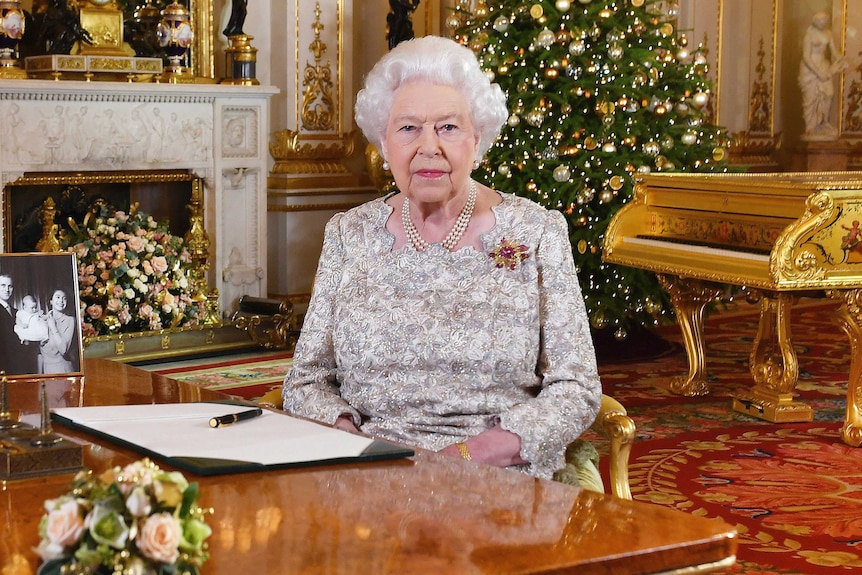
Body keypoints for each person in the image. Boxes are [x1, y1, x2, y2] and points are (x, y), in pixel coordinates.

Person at [282, 36, 603, 486]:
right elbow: (305, 381)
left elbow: (576, 390)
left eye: (448, 128)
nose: (428, 146)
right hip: (371, 472)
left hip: (497, 474)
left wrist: (470, 455)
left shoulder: (537, 231)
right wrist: (347, 440)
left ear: (477, 138)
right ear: (382, 141)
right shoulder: (347, 234)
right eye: (408, 128)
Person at [798, 11, 847, 139]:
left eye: (825, 20)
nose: (823, 22)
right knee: (810, 99)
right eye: (820, 20)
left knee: (829, 93)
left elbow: (834, 52)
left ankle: (824, 122)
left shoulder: (828, 34)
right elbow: (806, 56)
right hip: (810, 69)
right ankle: (811, 127)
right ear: (815, 21)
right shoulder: (808, 36)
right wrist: (818, 73)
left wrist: (840, 59)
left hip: (824, 65)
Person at [40, 289, 77, 374]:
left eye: (64, 298)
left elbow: (63, 350)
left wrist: (53, 327)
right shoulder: (42, 320)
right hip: (46, 370)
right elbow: (39, 353)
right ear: (51, 301)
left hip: (63, 369)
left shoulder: (70, 320)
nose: (61, 300)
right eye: (58, 297)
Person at [15, 295, 49, 374]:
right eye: (32, 308)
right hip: (26, 330)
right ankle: (25, 341)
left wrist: (42, 314)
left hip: (35, 331)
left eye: (35, 307)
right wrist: (21, 324)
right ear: (24, 307)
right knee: (22, 334)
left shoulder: (36, 312)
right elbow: (18, 320)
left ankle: (43, 339)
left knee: (43, 330)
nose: (34, 309)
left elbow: (42, 318)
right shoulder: (21, 313)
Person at [0, 272, 21, 375]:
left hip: (17, 366)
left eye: (10, 286)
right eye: (3, 285)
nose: (7, 290)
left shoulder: (16, 312)